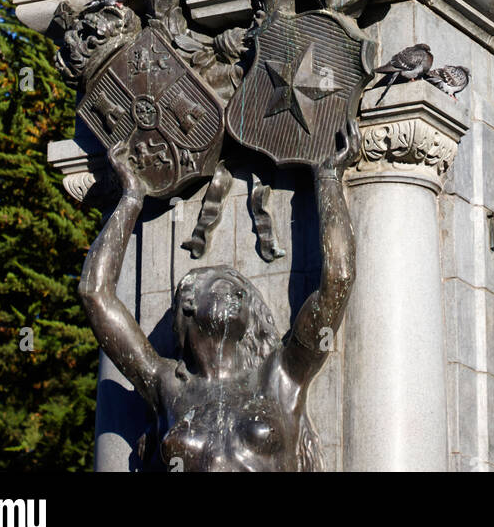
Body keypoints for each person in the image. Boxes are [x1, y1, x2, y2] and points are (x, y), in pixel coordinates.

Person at [78, 124, 358, 472]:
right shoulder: (167, 385)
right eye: (227, 287)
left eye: (244, 295)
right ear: (190, 302)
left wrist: (328, 177)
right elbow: (95, 294)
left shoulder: (281, 375)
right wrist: (131, 196)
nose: (239, 294)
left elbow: (338, 278)